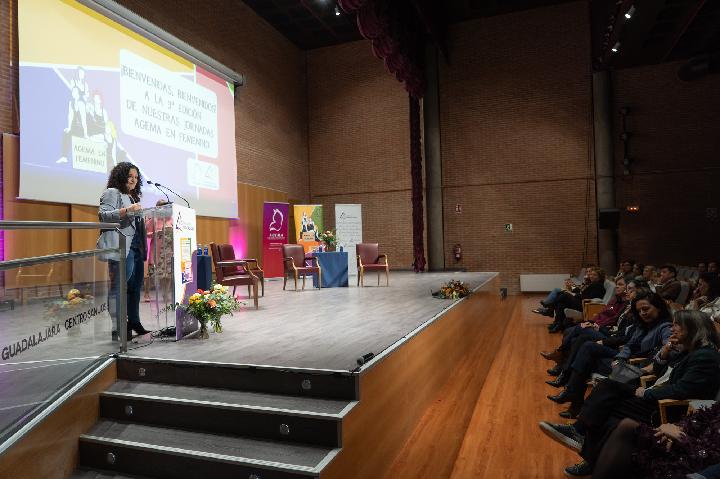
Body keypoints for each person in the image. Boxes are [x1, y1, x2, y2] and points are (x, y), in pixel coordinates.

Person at [540, 310, 720, 477]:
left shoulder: (704, 356)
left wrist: (646, 393)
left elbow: (682, 390)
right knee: (608, 396)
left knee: (609, 395)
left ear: (692, 328)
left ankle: (582, 439)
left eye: (677, 325)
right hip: (656, 394)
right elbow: (659, 370)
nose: (672, 329)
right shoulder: (688, 349)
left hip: (668, 408)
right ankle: (587, 449)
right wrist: (664, 352)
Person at [592, 403, 720, 479]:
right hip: (687, 443)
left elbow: (712, 456)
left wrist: (680, 437)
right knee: (627, 426)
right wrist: (675, 428)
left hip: (699, 461)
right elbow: (700, 419)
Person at [97, 162, 151, 339]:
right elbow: (103, 215)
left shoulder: (132, 197)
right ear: (121, 176)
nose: (134, 180)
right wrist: (128, 210)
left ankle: (134, 322)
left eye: (136, 178)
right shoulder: (112, 192)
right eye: (130, 176)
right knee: (119, 287)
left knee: (134, 287)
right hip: (121, 246)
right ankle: (118, 326)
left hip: (136, 247)